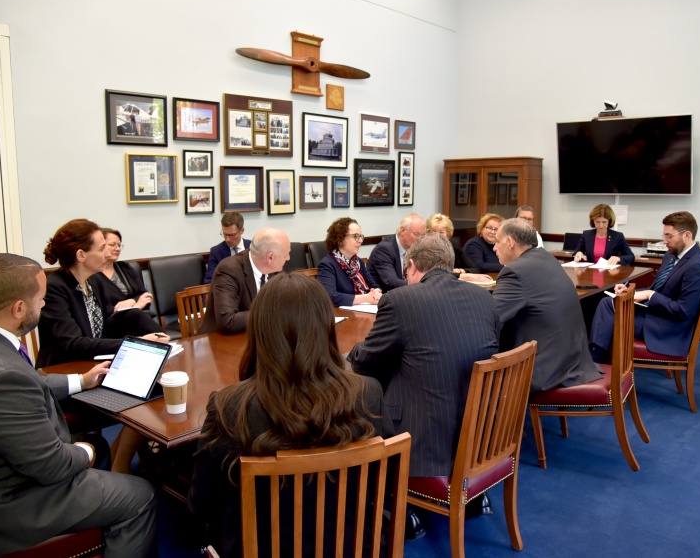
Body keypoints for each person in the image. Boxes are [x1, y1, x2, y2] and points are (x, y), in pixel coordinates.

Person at [0, 253, 156, 557]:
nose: (44, 305)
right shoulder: (0, 377)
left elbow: (25, 381)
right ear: (19, 308)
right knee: (140, 493)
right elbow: (52, 466)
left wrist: (81, 381)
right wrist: (87, 450)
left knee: (95, 448)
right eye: (41, 299)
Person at [188, 273, 388, 557]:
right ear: (325, 328)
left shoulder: (229, 407)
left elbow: (201, 505)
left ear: (259, 330)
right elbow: (384, 480)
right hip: (351, 545)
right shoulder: (368, 392)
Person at [348, 233, 500, 534]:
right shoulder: (485, 298)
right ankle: (474, 497)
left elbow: (365, 360)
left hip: (422, 443)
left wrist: (350, 352)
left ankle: (394, 504)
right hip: (481, 434)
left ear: (413, 266)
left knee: (360, 395)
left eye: (406, 273)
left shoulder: (400, 300)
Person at [37, 219, 169, 368]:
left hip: (95, 364)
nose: (107, 254)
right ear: (81, 255)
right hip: (65, 370)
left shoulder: (94, 281)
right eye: (101, 249)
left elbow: (105, 327)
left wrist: (136, 316)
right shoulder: (55, 288)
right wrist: (137, 342)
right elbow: (73, 343)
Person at [492, 218, 602, 392]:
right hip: (572, 359)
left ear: (510, 242)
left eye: (497, 241)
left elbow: (491, 316)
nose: (494, 247)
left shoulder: (515, 271)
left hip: (545, 368)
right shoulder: (547, 258)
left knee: (473, 373)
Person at [588, 211, 700, 361]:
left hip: (668, 328)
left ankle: (597, 360)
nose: (665, 241)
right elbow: (656, 288)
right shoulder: (671, 255)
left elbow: (683, 311)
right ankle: (600, 359)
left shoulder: (697, 266)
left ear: (687, 235)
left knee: (607, 315)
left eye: (669, 236)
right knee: (606, 303)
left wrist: (649, 295)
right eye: (664, 236)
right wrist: (629, 291)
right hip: (654, 314)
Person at [199, 227, 290, 335]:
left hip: (258, 335)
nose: (288, 258)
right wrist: (268, 313)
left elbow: (286, 303)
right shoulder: (229, 270)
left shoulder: (275, 270)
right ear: (270, 257)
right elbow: (228, 321)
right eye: (286, 254)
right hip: (221, 341)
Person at [317, 217, 382, 307]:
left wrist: (376, 292)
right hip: (342, 313)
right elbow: (330, 296)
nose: (360, 240)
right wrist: (366, 298)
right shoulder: (327, 264)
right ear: (340, 239)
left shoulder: (358, 262)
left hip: (364, 309)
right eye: (355, 236)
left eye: (360, 236)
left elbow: (373, 285)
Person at [95, 228, 153, 313]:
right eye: (112, 245)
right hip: (114, 322)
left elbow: (145, 296)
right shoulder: (92, 274)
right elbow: (99, 309)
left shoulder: (125, 268)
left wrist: (132, 301)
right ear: (101, 246)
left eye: (119, 245)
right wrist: (135, 307)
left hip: (139, 316)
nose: (117, 249)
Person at [367, 213, 426, 292]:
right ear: (402, 230)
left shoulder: (416, 249)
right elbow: (391, 282)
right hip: (383, 299)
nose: (420, 239)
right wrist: (421, 286)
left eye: (423, 235)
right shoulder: (384, 250)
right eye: (416, 234)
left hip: (404, 296)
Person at [203, 212, 251, 284]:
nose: (227, 239)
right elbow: (209, 281)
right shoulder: (216, 252)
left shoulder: (253, 248)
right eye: (225, 234)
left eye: (231, 235)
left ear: (242, 230)